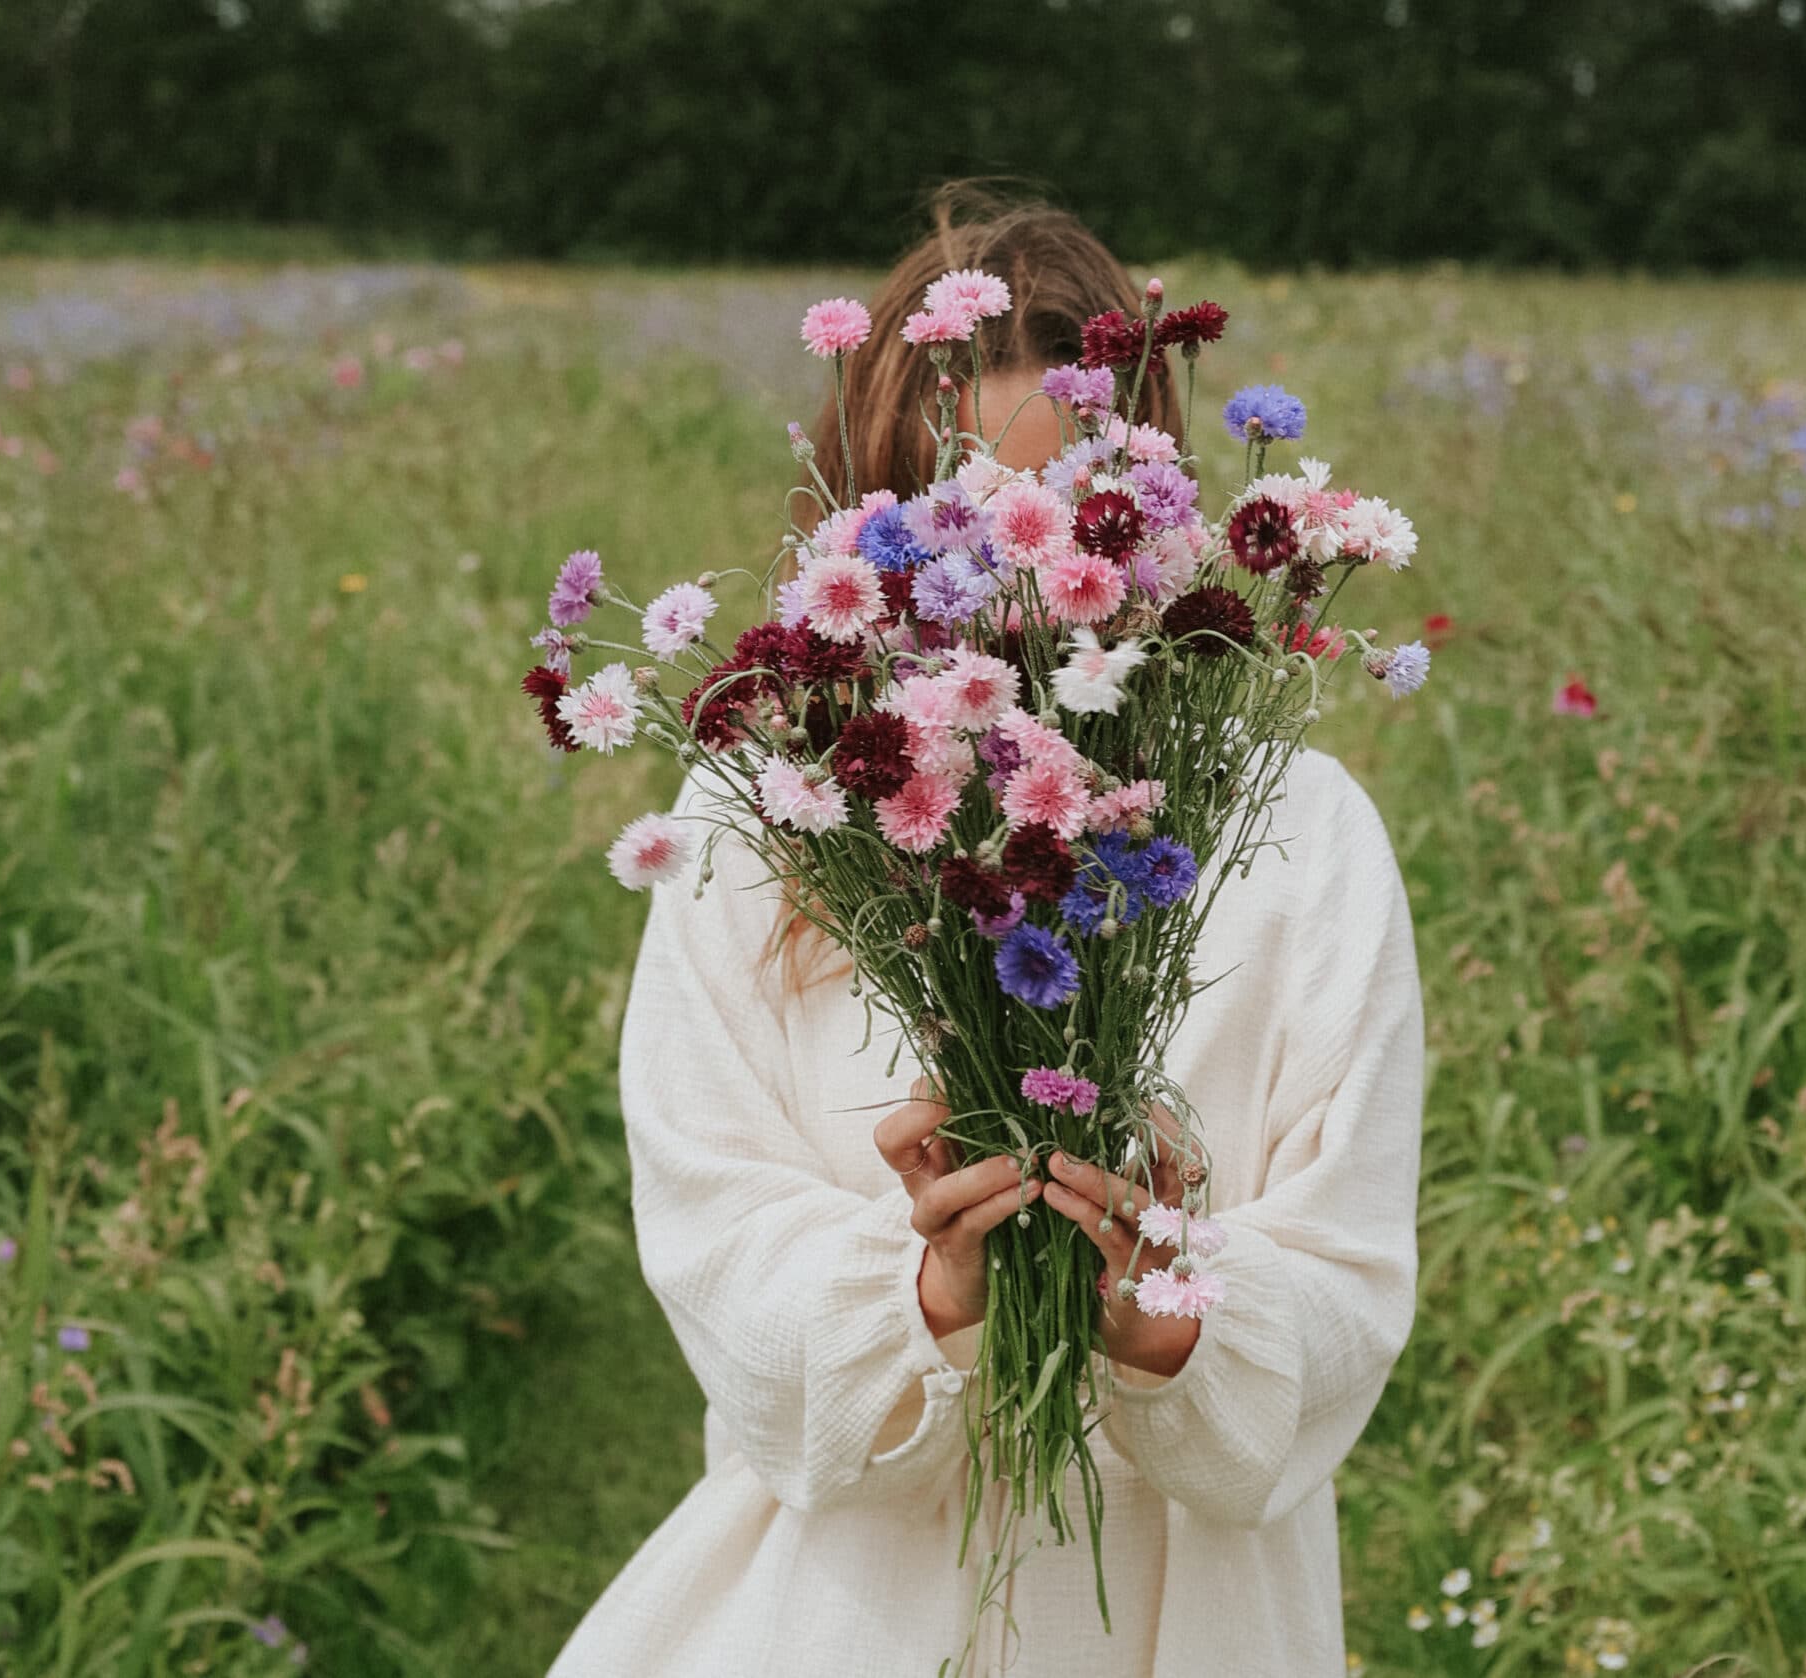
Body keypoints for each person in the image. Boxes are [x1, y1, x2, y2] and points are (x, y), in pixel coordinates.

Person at [548, 188, 1425, 1677]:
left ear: (1146, 523)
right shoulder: (756, 829)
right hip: (832, 1621)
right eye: (949, 547)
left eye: (1052, 537)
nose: (1003, 613)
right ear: (861, 536)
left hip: (1188, 1621)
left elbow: (1347, 1285)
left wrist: (1168, 1318)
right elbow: (718, 1258)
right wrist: (926, 1294)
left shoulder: (1303, 834)